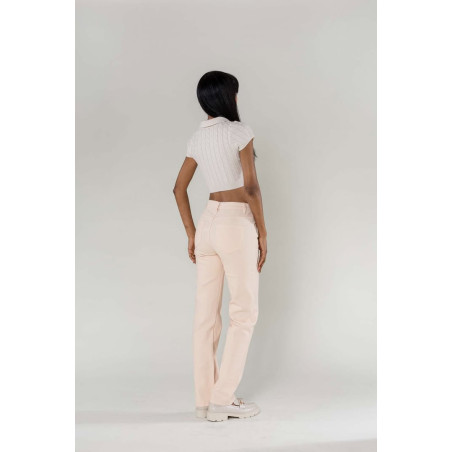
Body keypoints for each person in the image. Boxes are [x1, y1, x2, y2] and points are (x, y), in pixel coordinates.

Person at [173, 70, 267, 422]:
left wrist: (192, 233)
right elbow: (251, 187)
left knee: (205, 317)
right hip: (235, 223)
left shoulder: (197, 138)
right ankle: (223, 399)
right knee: (243, 313)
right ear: (229, 97)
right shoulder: (239, 132)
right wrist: (263, 232)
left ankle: (204, 400)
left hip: (208, 223)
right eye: (235, 93)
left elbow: (178, 188)